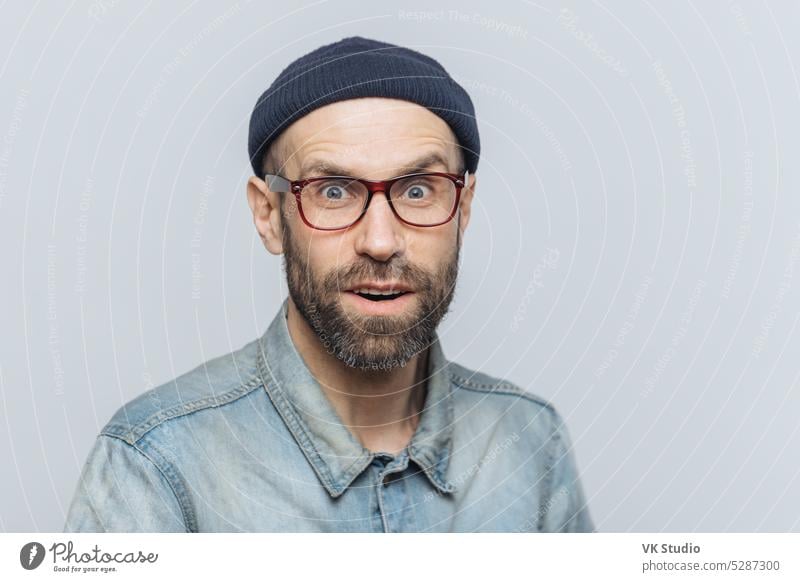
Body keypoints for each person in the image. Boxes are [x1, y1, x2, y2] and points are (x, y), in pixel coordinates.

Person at [64, 36, 594, 533]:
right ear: (270, 215)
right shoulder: (156, 463)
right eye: (334, 191)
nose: (381, 241)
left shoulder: (530, 443)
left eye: (417, 190)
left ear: (464, 209)